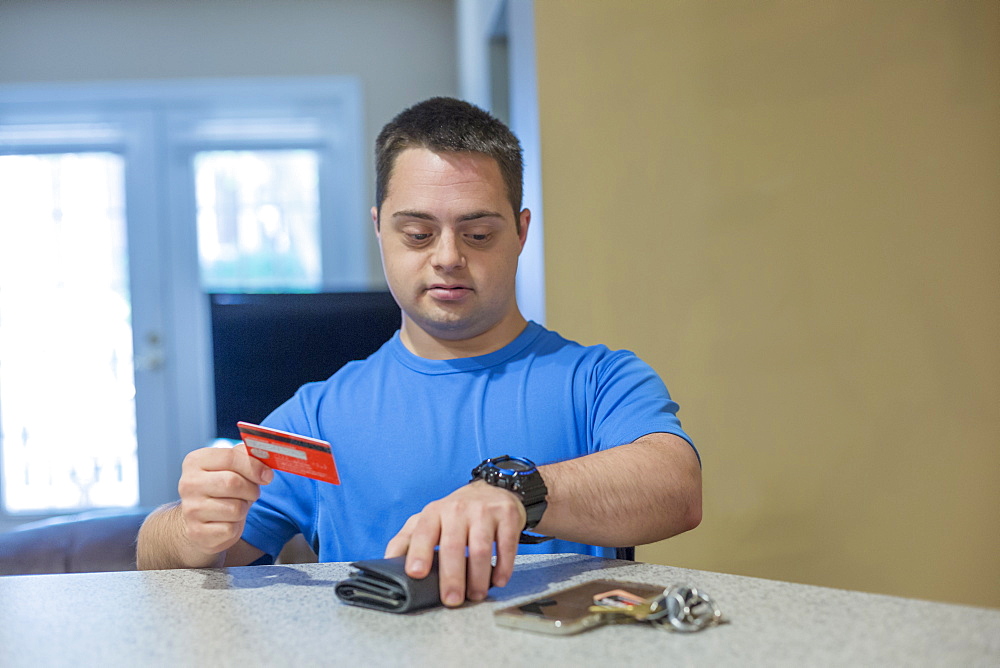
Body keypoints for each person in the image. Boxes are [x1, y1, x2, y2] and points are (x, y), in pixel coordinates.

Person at [137, 97, 702, 607]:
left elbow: (676, 487)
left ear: (522, 232)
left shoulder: (599, 379)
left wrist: (515, 492)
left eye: (478, 234)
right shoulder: (318, 416)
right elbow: (158, 559)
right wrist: (189, 529)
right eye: (418, 234)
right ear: (379, 228)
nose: (449, 257)